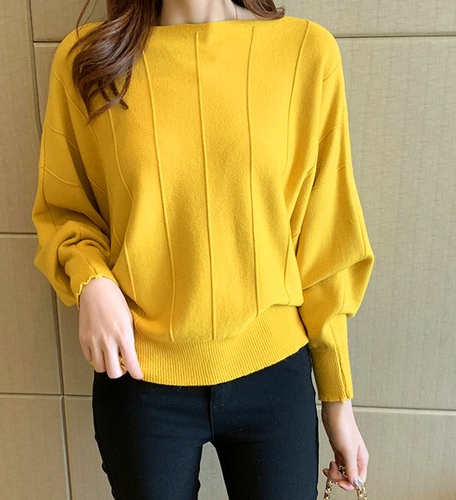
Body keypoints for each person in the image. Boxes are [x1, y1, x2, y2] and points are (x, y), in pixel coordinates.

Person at [31, 1, 375, 498]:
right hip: (139, 375)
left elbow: (326, 237)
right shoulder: (88, 60)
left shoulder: (306, 53)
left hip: (273, 371)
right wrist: (90, 279)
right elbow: (65, 209)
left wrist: (337, 399)